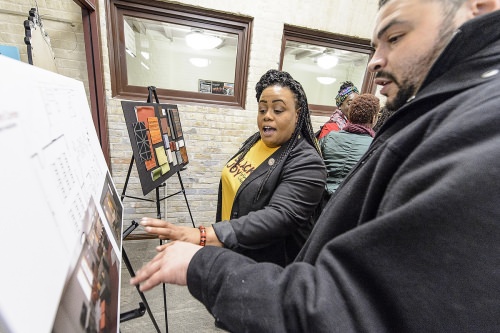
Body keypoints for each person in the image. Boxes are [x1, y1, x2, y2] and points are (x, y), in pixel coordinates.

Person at [131, 0, 500, 331]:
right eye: (262, 109)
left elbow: (284, 223)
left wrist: (202, 248)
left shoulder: (476, 131)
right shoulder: (253, 143)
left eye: (397, 36)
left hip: (270, 277)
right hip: (248, 273)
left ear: (480, 7)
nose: (374, 60)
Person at [139, 69, 326, 266]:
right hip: (232, 250)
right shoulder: (255, 141)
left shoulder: (308, 163)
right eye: (262, 110)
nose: (267, 116)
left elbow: (279, 216)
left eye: (278, 110)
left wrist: (204, 235)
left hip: (266, 270)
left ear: (297, 115)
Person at [320, 93, 379, 195]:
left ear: (350, 114)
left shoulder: (329, 137)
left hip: (322, 201)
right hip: (349, 202)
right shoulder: (375, 146)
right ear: (373, 118)